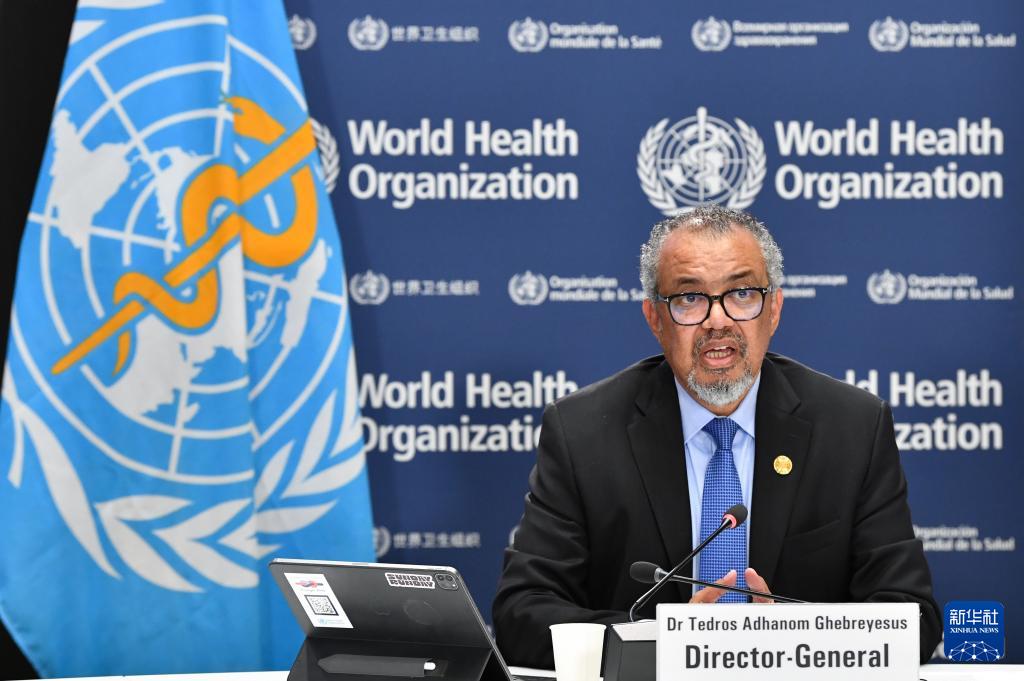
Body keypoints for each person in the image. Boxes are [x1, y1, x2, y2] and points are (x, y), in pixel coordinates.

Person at [492, 204, 941, 668]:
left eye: (742, 293)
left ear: (774, 309)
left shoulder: (852, 427)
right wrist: (672, 645)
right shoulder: (583, 432)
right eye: (689, 298)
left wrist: (786, 643)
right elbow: (522, 613)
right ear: (654, 318)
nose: (718, 320)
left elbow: (912, 614)